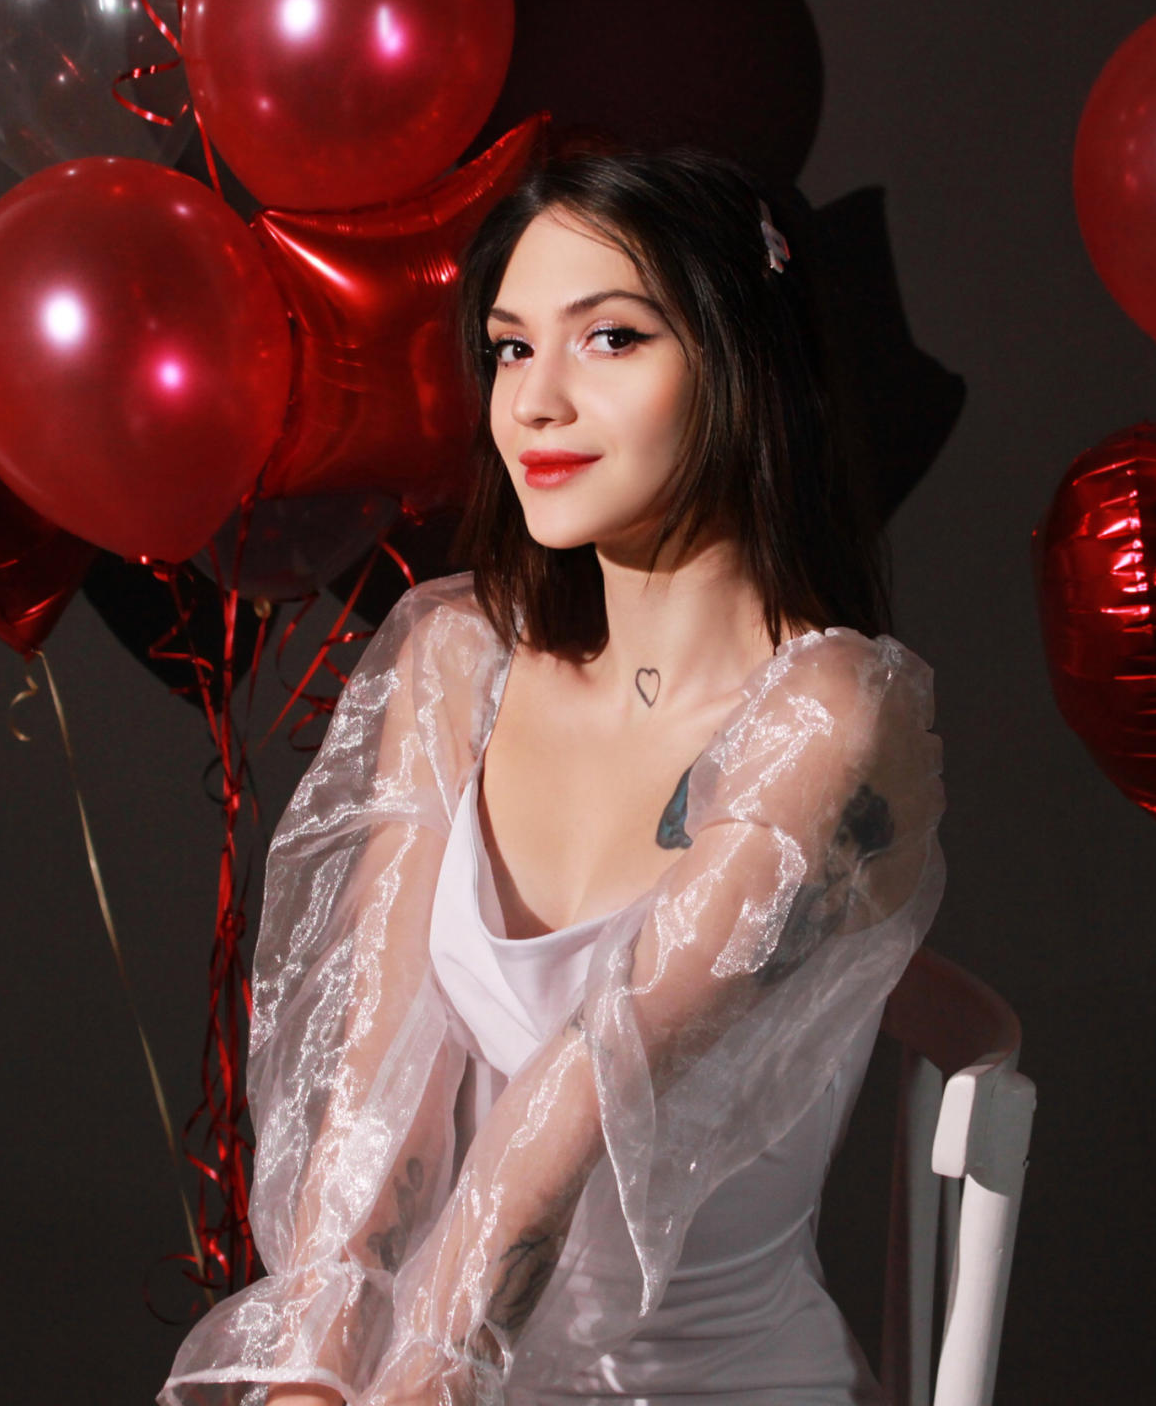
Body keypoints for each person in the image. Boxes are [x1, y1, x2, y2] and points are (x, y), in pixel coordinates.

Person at [161, 148, 949, 1406]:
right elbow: (373, 1089)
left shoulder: (829, 715)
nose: (534, 401)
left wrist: (429, 1381)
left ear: (742, 363)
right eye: (511, 348)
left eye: (611, 338)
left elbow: (579, 1107)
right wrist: (314, 1361)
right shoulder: (458, 658)